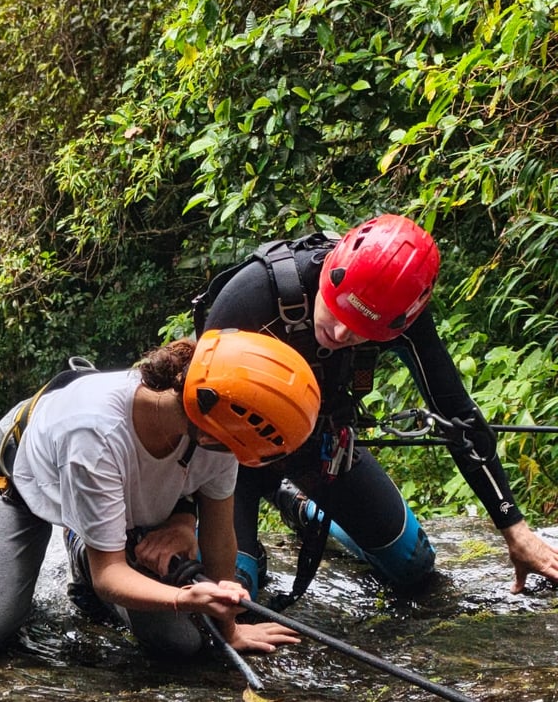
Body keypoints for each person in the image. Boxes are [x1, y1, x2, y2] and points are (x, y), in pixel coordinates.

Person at [191, 214, 558, 602]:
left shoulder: (399, 312)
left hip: (319, 446)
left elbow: (457, 417)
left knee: (414, 563)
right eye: (337, 310)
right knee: (235, 590)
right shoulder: (256, 293)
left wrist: (514, 528)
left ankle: (297, 503)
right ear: (331, 271)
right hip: (232, 460)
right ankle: (253, 540)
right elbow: (194, 412)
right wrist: (178, 519)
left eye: (363, 330)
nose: (340, 334)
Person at [0, 328, 321, 658]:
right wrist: (182, 598)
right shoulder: (95, 434)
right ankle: (84, 542)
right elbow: (110, 575)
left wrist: (229, 628)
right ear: (210, 432)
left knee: (180, 644)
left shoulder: (216, 424)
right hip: (20, 480)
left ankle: (90, 545)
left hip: (120, 485)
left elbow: (219, 530)